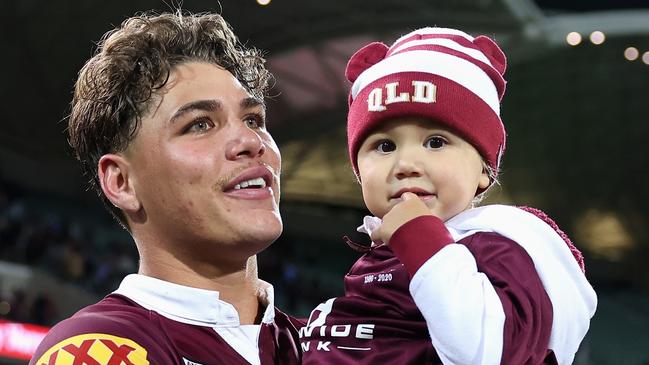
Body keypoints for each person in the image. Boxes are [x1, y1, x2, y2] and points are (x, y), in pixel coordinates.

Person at [299, 27, 597, 364]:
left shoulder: (499, 247)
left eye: (436, 142)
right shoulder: (379, 257)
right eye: (384, 146)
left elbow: (492, 354)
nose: (406, 164)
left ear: (485, 170)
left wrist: (421, 240)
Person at [30, 11, 300, 365]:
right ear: (122, 182)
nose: (250, 140)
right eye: (200, 124)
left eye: (253, 119)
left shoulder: (326, 346)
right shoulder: (95, 350)